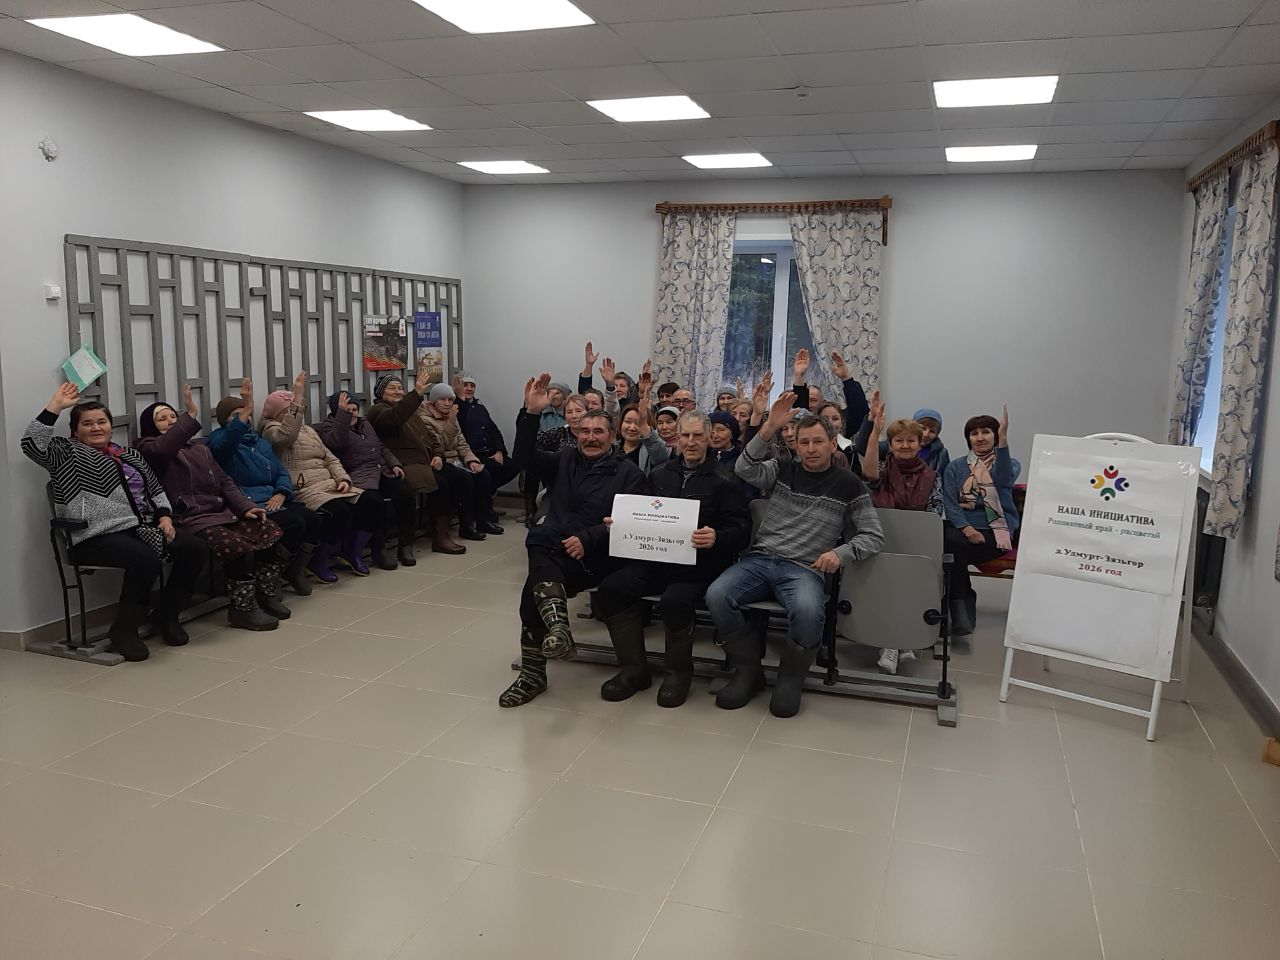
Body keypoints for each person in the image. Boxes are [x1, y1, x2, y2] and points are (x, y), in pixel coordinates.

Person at [707, 396, 884, 718]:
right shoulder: (782, 469)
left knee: (808, 611)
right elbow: (744, 468)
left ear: (832, 444)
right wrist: (769, 428)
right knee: (717, 595)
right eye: (804, 442)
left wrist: (841, 553)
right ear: (796, 446)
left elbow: (873, 535)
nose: (811, 448)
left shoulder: (849, 484)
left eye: (818, 441)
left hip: (804, 568)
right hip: (760, 560)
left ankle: (790, 677)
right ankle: (748, 671)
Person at [24, 384, 208, 661]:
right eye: (87, 424)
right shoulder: (66, 453)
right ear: (75, 431)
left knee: (194, 547)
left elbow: (156, 490)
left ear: (110, 426)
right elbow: (31, 444)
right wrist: (55, 406)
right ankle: (124, 629)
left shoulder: (129, 455)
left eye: (102, 422)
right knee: (145, 559)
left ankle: (166, 615)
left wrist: (164, 516)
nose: (96, 428)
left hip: (140, 529)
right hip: (93, 536)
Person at [499, 374, 646, 707]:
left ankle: (534, 672)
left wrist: (588, 538)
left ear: (612, 436)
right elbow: (524, 458)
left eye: (598, 432)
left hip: (599, 557)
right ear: (577, 434)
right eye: (585, 431)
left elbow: (631, 523)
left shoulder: (630, 474)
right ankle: (557, 631)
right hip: (558, 551)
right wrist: (531, 414)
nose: (590, 437)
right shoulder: (564, 459)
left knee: (536, 570)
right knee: (540, 548)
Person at [596, 410, 752, 707]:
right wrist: (620, 524)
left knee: (675, 601)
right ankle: (633, 670)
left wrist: (717, 537)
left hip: (698, 566)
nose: (691, 442)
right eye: (685, 435)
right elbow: (640, 514)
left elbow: (742, 530)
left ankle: (678, 674)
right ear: (676, 438)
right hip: (654, 560)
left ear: (709, 438)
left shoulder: (725, 480)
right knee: (612, 589)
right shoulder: (659, 474)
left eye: (697, 436)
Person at [138, 386, 285, 630]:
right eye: (162, 419)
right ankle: (242, 608)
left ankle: (265, 593)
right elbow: (165, 447)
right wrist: (190, 415)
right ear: (150, 426)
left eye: (173, 416)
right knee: (235, 546)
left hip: (219, 513)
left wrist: (245, 507)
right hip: (187, 518)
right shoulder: (148, 448)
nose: (171, 421)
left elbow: (224, 481)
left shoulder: (200, 449)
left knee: (266, 528)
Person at [259, 372, 379, 581]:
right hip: (304, 487)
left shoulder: (308, 431)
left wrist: (343, 479)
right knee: (339, 511)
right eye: (288, 411)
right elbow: (287, 436)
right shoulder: (271, 431)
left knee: (371, 501)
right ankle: (318, 560)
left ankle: (352, 552)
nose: (295, 415)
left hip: (328, 484)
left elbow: (330, 458)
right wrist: (297, 396)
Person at [209, 379, 318, 597]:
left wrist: (281, 492)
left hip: (272, 497)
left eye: (246, 413)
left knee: (312, 519)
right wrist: (247, 406)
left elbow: (280, 471)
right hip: (248, 502)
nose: (245, 418)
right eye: (236, 415)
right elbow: (227, 442)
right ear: (224, 421)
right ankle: (267, 576)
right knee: (293, 523)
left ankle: (292, 571)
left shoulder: (259, 442)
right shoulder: (219, 441)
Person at [860, 406, 943, 674]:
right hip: (882, 540)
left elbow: (934, 514)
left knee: (910, 588)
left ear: (919, 444)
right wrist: (874, 432)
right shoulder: (882, 469)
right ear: (891, 444)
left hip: (915, 547)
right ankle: (894, 645)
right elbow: (868, 474)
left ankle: (897, 643)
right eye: (899, 440)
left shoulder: (932, 476)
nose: (905, 445)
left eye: (910, 440)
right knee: (886, 589)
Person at [367, 371, 466, 556]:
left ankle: (454, 529)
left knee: (459, 478)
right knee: (440, 485)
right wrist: (416, 394)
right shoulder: (378, 410)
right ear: (381, 392)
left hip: (425, 462)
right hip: (403, 465)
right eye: (392, 388)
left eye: (400, 388)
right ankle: (432, 539)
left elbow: (430, 438)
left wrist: (438, 455)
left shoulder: (410, 412)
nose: (398, 391)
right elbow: (393, 419)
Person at [318, 389, 419, 568]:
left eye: (354, 410)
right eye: (347, 410)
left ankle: (405, 545)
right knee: (374, 503)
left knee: (405, 494)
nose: (352, 414)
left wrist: (394, 464)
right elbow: (337, 444)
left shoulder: (365, 424)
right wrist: (342, 418)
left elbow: (381, 447)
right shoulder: (329, 427)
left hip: (380, 470)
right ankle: (378, 549)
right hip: (357, 475)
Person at [943, 407, 1019, 636]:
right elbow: (950, 503)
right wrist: (967, 528)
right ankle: (961, 612)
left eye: (986, 432)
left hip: (995, 532)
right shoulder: (955, 467)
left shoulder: (1009, 463)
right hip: (963, 530)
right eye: (974, 433)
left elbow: (1000, 479)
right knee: (950, 543)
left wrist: (1003, 441)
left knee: (950, 553)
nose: (980, 437)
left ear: (995, 436)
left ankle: (958, 610)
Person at [418, 383, 501, 540]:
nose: (447, 403)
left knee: (483, 474)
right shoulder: (425, 418)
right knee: (465, 479)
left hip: (456, 459)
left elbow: (462, 443)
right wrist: (451, 422)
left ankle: (483, 520)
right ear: (433, 401)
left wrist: (471, 460)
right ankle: (466, 525)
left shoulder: (450, 416)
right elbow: (439, 445)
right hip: (440, 460)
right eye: (442, 399)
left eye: (450, 400)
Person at [453, 373, 519, 503]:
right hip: (470, 453)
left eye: (472, 386)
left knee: (513, 466)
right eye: (465, 385)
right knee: (492, 469)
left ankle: (486, 496)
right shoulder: (454, 407)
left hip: (488, 451)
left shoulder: (480, 407)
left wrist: (499, 451)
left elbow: (494, 430)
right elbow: (459, 426)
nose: (469, 388)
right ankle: (484, 503)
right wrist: (460, 400)